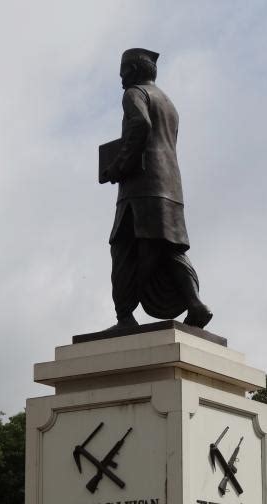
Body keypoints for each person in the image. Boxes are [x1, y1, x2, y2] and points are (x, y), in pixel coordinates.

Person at [103, 48, 212, 330]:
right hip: (171, 187)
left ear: (133, 71)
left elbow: (140, 124)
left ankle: (124, 317)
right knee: (169, 248)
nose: (121, 79)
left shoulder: (134, 94)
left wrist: (118, 165)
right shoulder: (169, 103)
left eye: (123, 72)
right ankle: (196, 304)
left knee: (123, 248)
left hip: (141, 188)